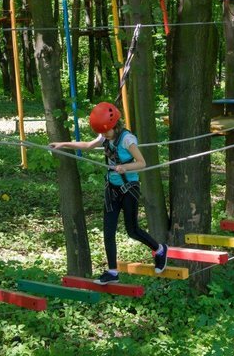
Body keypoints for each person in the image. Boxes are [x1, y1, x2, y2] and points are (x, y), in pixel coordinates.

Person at [49, 102, 168, 284]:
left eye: (106, 132)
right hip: (112, 189)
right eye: (102, 133)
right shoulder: (106, 135)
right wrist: (63, 144)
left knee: (132, 230)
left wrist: (124, 167)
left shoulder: (128, 139)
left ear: (114, 125)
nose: (103, 136)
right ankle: (112, 272)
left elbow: (142, 163)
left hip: (129, 188)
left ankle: (159, 250)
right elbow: (88, 145)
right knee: (108, 231)